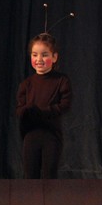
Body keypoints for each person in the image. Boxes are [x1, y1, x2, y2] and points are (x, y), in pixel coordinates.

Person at [15, 33, 72, 179]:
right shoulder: (26, 84)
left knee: (49, 176)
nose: (39, 59)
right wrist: (27, 111)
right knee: (30, 176)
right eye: (35, 55)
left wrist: (43, 111)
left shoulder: (61, 80)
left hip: (52, 135)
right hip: (31, 135)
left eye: (44, 55)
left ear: (54, 57)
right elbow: (19, 109)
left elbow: (65, 105)